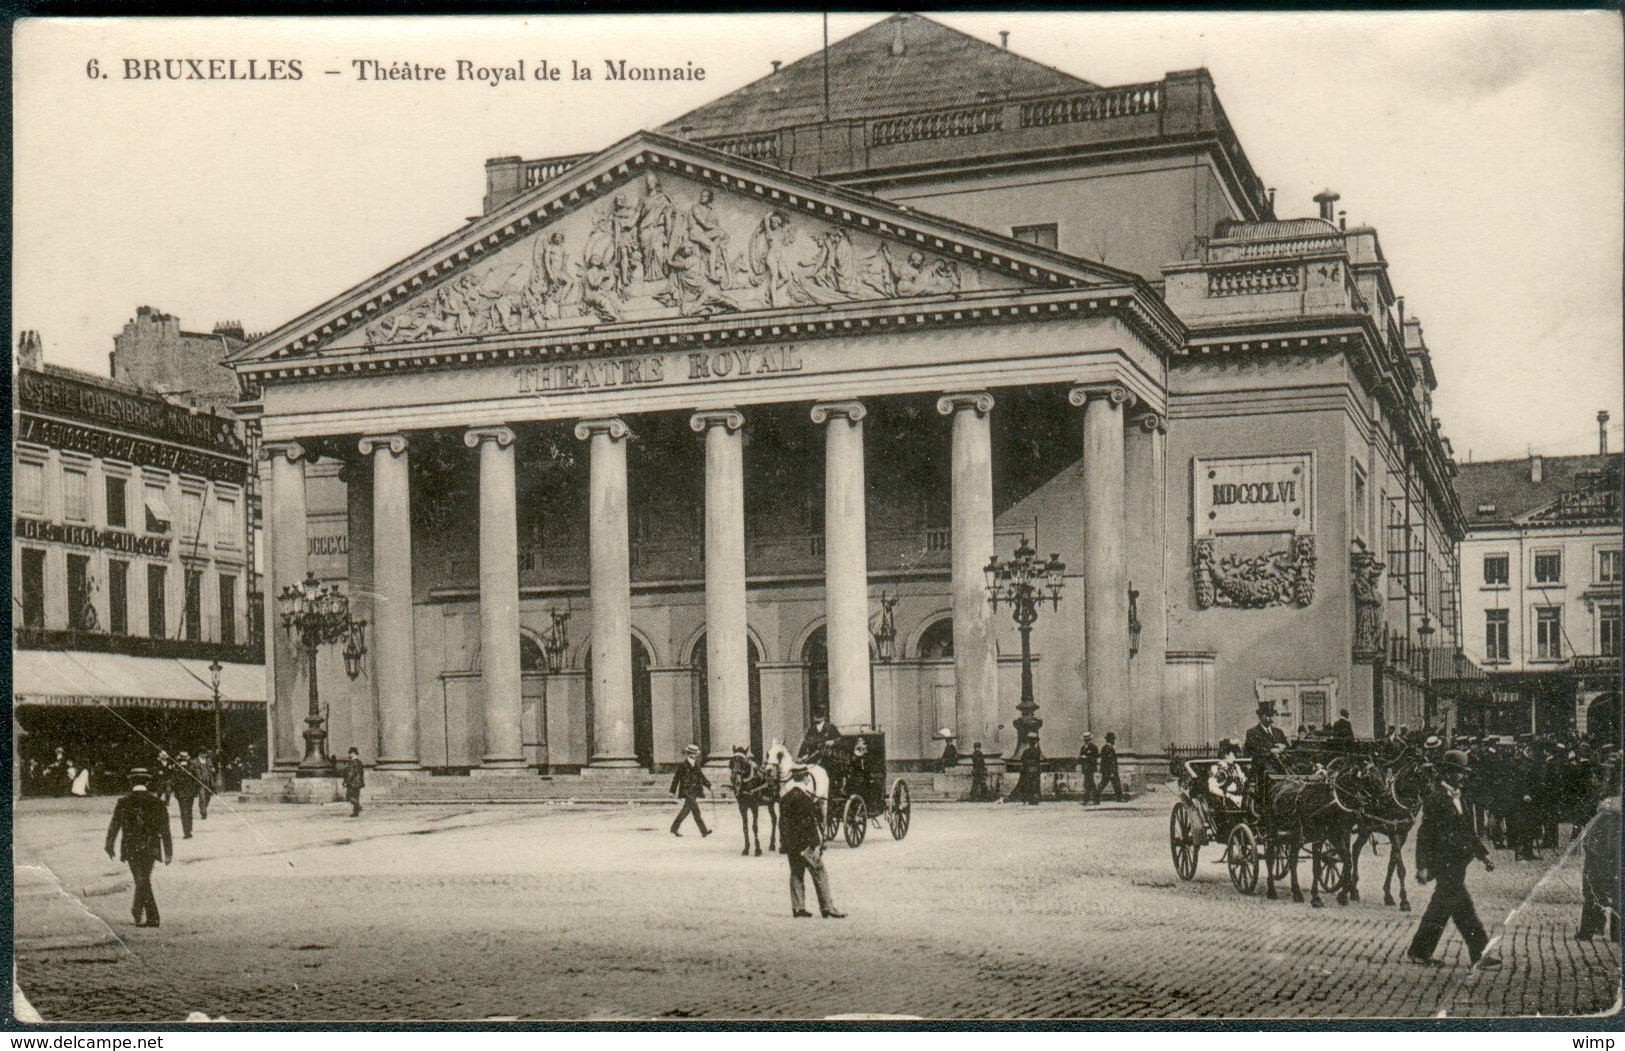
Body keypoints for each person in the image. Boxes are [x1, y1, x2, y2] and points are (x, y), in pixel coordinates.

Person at [1408, 750, 1500, 968]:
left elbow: (1468, 831)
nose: (1462, 777)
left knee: (1448, 908)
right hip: (1444, 863)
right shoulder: (1435, 798)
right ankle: (1480, 955)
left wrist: (1484, 855)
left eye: (1463, 773)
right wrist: (1422, 866)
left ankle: (1419, 951)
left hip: (1459, 863)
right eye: (1458, 773)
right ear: (1447, 773)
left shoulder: (1461, 797)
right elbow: (1424, 836)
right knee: (1462, 909)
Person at [104, 767, 173, 928]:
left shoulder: (124, 802)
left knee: (141, 879)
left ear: (131, 781)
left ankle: (153, 917)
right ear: (148, 782)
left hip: (131, 846)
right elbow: (165, 830)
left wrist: (109, 845)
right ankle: (137, 910)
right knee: (143, 879)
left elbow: (114, 825)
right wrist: (168, 852)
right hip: (151, 846)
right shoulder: (158, 802)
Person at [780, 763, 844, 918]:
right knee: (819, 870)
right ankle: (827, 907)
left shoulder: (785, 798)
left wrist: (785, 843)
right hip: (804, 845)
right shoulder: (804, 798)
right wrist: (816, 844)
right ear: (806, 778)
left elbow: (781, 824)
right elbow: (808, 825)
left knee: (796, 872)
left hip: (790, 845)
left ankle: (798, 908)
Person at [668, 743, 712, 837]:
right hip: (687, 791)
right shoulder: (682, 765)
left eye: (697, 754)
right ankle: (703, 831)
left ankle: (674, 828)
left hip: (695, 790)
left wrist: (709, 785)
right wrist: (672, 791)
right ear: (690, 754)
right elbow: (676, 778)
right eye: (695, 754)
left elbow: (701, 776)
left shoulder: (697, 764)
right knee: (694, 811)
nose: (696, 755)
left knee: (689, 811)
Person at [170, 750, 202, 838]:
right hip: (185, 793)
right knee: (187, 812)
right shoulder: (178, 766)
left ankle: (188, 830)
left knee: (185, 812)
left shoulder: (179, 766)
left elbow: (197, 780)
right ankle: (187, 831)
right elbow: (198, 780)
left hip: (185, 793)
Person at [1209, 739, 1248, 808]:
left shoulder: (1236, 766)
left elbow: (1242, 779)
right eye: (1233, 755)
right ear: (1225, 755)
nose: (1235, 757)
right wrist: (1230, 796)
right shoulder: (1217, 768)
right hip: (1225, 801)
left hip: (1240, 798)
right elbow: (1212, 788)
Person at [1006, 736, 1042, 805]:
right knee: (1034, 786)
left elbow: (1023, 759)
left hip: (1028, 770)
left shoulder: (1026, 751)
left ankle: (1027, 799)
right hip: (1034, 771)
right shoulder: (1037, 751)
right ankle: (1034, 799)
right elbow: (1037, 761)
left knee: (1028, 785)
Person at [1098, 732, 1125, 802]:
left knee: (1107, 784)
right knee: (1109, 784)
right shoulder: (1108, 748)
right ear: (1111, 740)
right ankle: (1119, 798)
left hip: (1107, 770)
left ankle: (1119, 798)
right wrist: (1112, 772)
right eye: (1113, 739)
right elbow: (1110, 761)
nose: (1114, 741)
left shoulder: (1104, 748)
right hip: (1110, 771)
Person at [190, 750, 215, 820]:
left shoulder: (208, 760)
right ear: (200, 753)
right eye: (204, 754)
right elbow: (191, 770)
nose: (205, 755)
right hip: (200, 782)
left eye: (206, 754)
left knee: (208, 797)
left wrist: (212, 769)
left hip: (208, 782)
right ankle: (203, 813)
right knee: (202, 797)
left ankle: (204, 808)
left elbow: (211, 768)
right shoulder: (194, 761)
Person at [340, 747, 366, 818]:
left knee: (350, 797)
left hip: (353, 783)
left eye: (350, 753)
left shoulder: (353, 762)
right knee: (356, 797)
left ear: (353, 753)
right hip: (358, 782)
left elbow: (351, 773)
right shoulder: (359, 762)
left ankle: (358, 807)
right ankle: (356, 812)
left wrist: (346, 781)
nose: (349, 755)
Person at [1078, 733, 1100, 806]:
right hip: (1085, 769)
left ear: (1090, 739)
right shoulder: (1083, 748)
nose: (1086, 741)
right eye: (1085, 739)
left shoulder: (1093, 747)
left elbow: (1095, 758)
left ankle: (1089, 800)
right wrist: (1081, 758)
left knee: (1089, 784)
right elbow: (1080, 757)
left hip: (1090, 768)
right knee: (1088, 784)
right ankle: (1091, 800)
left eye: (1088, 739)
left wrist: (1087, 757)